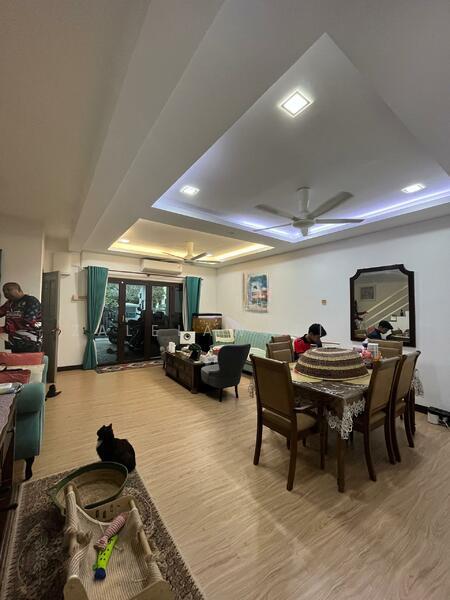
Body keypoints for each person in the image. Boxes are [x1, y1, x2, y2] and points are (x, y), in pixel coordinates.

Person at [0, 282, 42, 352]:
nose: (6, 292)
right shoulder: (9, 303)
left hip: (30, 341)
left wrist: (4, 329)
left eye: (8, 289)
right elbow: (1, 311)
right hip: (14, 341)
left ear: (18, 290)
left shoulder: (31, 301)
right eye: (4, 290)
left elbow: (29, 320)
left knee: (28, 359)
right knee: (14, 358)